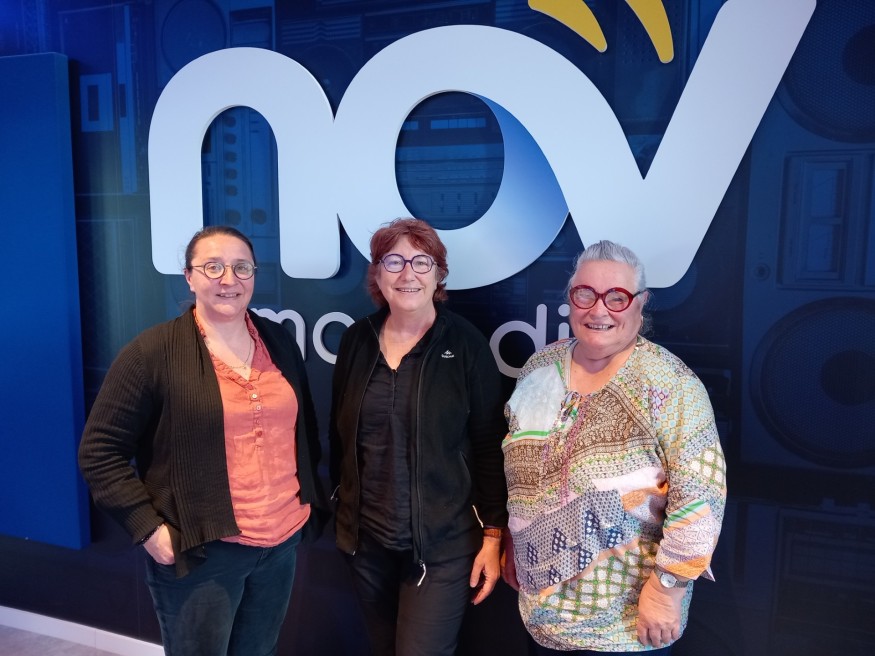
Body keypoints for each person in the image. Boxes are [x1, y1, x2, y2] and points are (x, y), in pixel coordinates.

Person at [78, 225, 327, 656]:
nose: (229, 279)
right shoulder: (153, 352)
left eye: (241, 267)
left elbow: (302, 431)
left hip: (282, 542)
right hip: (202, 550)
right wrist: (148, 529)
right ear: (189, 277)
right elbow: (100, 452)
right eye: (213, 267)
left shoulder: (278, 340)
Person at [501, 240, 726, 655]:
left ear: (641, 303)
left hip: (624, 628)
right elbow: (521, 470)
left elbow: (701, 498)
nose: (598, 310)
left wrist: (667, 591)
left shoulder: (672, 384)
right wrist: (517, 541)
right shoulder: (538, 368)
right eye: (585, 294)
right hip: (540, 617)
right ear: (570, 299)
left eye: (617, 297)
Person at [329, 217, 508, 655]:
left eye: (421, 262)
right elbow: (340, 435)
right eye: (393, 261)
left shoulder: (464, 344)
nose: (407, 273)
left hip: (442, 547)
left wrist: (493, 535)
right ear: (377, 274)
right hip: (367, 545)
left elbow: (490, 445)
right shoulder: (357, 340)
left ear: (438, 274)